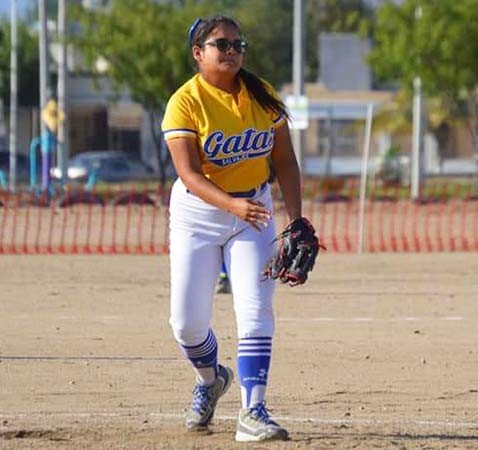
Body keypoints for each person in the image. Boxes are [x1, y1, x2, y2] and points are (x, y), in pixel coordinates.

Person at [162, 15, 305, 442]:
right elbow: (188, 174)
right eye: (221, 44)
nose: (232, 51)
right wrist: (231, 205)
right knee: (186, 324)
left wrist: (296, 220)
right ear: (198, 53)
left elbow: (285, 162)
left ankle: (253, 410)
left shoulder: (262, 95)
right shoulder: (184, 102)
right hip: (197, 215)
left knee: (255, 308)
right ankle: (211, 379)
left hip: (254, 211)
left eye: (237, 44)